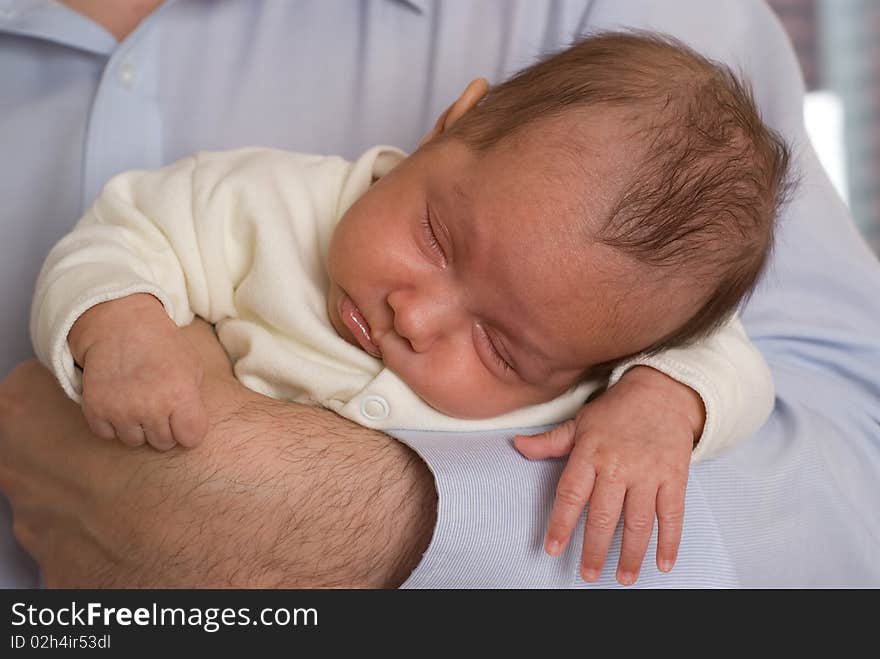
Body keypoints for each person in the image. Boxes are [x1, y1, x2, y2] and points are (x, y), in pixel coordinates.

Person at [0, 0, 878, 589]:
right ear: (447, 127)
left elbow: (738, 368)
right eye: (435, 238)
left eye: (500, 348)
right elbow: (119, 240)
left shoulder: (612, 336)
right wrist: (126, 331)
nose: (415, 315)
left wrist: (661, 405)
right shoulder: (262, 202)